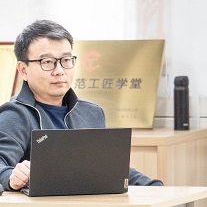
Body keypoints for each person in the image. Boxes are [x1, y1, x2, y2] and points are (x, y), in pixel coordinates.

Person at [0, 20, 163, 193]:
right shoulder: (15, 115)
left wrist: (155, 188)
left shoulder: (91, 112)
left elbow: (108, 167)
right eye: (47, 62)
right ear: (23, 70)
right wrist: (10, 176)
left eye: (66, 60)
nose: (59, 70)